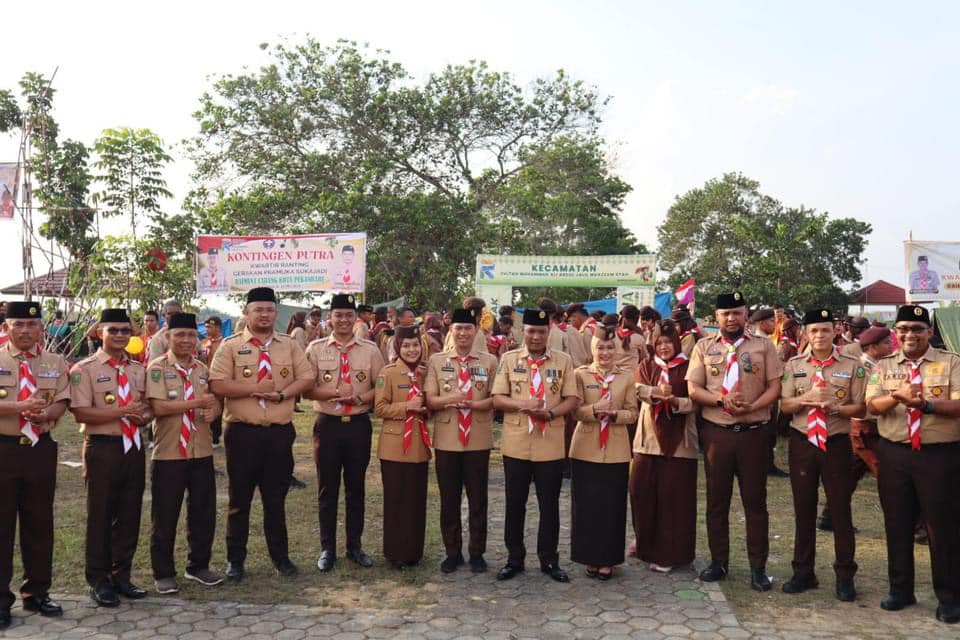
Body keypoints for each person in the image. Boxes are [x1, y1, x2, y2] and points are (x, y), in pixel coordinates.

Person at [208, 287, 314, 582]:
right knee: (239, 500)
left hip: (279, 434)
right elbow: (217, 384)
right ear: (247, 312)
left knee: (275, 499)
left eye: (269, 310)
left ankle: (281, 558)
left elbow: (306, 377)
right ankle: (235, 560)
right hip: (242, 434)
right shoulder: (230, 346)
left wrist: (282, 394)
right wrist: (253, 389)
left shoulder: (289, 345)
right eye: (259, 310)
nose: (265, 315)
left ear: (275, 312)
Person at [866, 305, 960, 624]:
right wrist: (899, 397)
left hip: (939, 455)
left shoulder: (951, 363)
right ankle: (900, 589)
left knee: (942, 527)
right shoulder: (884, 365)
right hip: (895, 453)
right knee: (897, 522)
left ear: (929, 332)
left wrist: (927, 405)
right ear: (896, 331)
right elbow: (872, 405)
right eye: (903, 328)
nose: (909, 334)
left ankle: (949, 597)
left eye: (917, 329)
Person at [687, 292, 783, 591]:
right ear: (716, 317)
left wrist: (753, 407)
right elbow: (693, 388)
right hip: (718, 434)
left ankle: (758, 567)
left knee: (755, 503)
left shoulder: (764, 345)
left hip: (754, 434)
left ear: (746, 315)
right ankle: (719, 562)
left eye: (737, 313)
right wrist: (721, 401)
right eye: (725, 314)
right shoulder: (704, 346)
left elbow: (775, 386)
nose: (731, 318)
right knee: (717, 502)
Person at [779, 309, 866, 602]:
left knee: (840, 509)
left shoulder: (853, 365)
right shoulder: (794, 364)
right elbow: (786, 405)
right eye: (814, 331)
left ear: (835, 332)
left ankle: (845, 575)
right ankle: (803, 571)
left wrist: (836, 408)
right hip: (802, 441)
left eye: (825, 330)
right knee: (803, 508)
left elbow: (861, 408)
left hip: (836, 442)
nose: (819, 336)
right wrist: (806, 400)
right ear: (805, 333)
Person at [70, 308, 153, 607]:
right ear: (99, 333)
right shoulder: (85, 369)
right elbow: (80, 412)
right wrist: (123, 412)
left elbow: (145, 407)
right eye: (113, 330)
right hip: (102, 446)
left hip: (133, 446)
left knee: (130, 513)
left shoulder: (137, 369)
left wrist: (143, 416)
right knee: (101, 514)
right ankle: (99, 579)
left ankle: (122, 576)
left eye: (124, 330)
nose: (120, 335)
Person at [491, 308, 579, 583]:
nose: (536, 336)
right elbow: (497, 398)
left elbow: (572, 399)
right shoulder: (508, 358)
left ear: (549, 332)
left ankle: (549, 559)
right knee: (514, 504)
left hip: (549, 442)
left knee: (549, 505)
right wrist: (522, 405)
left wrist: (551, 413)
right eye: (531, 331)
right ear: (523, 332)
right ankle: (514, 558)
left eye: (541, 331)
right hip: (517, 442)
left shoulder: (563, 361)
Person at [0, 302, 71, 628]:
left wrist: (49, 413)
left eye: (32, 325)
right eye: (18, 325)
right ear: (7, 328)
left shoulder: (55, 362)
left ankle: (37, 592)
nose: (25, 331)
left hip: (40, 448)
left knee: (39, 523)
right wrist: (20, 406)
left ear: (42, 328)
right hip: (4, 449)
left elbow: (62, 400)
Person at [305, 293, 385, 572]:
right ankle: (327, 548)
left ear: (356, 319)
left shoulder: (370, 350)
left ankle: (355, 546)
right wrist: (336, 393)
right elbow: (306, 388)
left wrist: (362, 399)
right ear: (330, 318)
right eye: (338, 315)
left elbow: (381, 386)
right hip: (327, 425)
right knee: (327, 488)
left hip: (358, 426)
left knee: (356, 488)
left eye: (348, 315)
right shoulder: (315, 349)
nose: (343, 320)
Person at [146, 312, 223, 595]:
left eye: (192, 335)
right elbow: (158, 407)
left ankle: (198, 566)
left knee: (203, 512)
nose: (187, 340)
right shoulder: (156, 368)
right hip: (169, 453)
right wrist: (196, 402)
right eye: (180, 335)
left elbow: (212, 407)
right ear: (168, 337)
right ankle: (163, 572)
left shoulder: (202, 370)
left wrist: (213, 410)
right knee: (165, 515)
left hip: (200, 450)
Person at [425, 308, 498, 573]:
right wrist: (451, 399)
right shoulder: (437, 361)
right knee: (449, 498)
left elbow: (497, 397)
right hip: (447, 439)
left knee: (478, 498)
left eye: (468, 328)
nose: (463, 333)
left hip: (477, 437)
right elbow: (430, 399)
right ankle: (452, 552)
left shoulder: (489, 361)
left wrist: (477, 404)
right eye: (458, 328)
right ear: (450, 331)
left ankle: (477, 553)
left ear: (476, 330)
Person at [569, 325, 638, 580]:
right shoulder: (580, 374)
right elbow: (574, 411)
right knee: (586, 505)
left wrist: (616, 414)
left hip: (616, 448)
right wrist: (595, 410)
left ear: (616, 349)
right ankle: (589, 556)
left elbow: (633, 412)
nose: (605, 352)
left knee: (612, 506)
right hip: (585, 446)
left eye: (610, 347)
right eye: (600, 348)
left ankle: (608, 559)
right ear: (592, 349)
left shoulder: (626, 377)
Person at [631, 320, 698, 574]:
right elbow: (635, 389)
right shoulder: (647, 365)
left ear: (677, 342)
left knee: (674, 499)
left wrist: (676, 401)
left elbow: (698, 400)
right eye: (659, 343)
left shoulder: (689, 366)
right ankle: (645, 544)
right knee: (641, 492)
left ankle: (671, 553)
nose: (664, 347)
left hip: (680, 443)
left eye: (668, 342)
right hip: (647, 440)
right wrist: (656, 393)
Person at [817, 325, 892, 531]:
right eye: (887, 343)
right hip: (864, 427)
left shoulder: (880, 365)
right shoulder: (862, 368)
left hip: (867, 428)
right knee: (889, 475)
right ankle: (917, 526)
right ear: (873, 347)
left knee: (849, 475)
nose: (892, 347)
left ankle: (830, 516)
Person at [374, 326, 431, 569]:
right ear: (398, 348)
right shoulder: (387, 373)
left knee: (416, 500)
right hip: (394, 445)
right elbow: (379, 408)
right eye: (406, 346)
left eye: (415, 345)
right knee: (396, 500)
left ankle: (414, 552)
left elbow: (431, 403)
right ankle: (394, 552)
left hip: (419, 444)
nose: (411, 350)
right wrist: (407, 406)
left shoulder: (425, 373)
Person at [201, 316, 225, 446]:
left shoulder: (224, 344)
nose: (207, 330)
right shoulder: (205, 343)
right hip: (204, 380)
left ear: (217, 328)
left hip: (217, 379)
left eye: (209, 327)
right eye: (206, 327)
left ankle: (215, 437)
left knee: (217, 407)